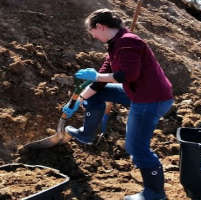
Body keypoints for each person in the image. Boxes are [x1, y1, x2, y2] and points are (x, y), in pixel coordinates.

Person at [62, 8, 173, 200]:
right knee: (95, 94)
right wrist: (79, 99)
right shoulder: (115, 44)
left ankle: (155, 193)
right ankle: (86, 134)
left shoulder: (128, 42)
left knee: (136, 148)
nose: (93, 36)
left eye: (93, 32)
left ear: (101, 26)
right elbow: (101, 81)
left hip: (151, 100)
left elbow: (129, 76)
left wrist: (96, 76)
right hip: (139, 94)